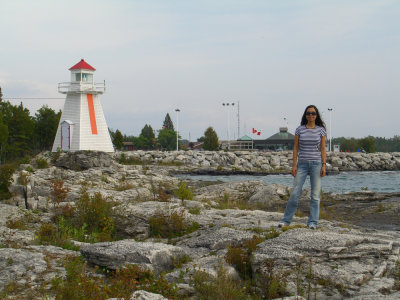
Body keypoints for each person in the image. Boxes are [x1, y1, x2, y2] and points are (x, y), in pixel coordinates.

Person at [278, 105, 327, 229]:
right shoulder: (299, 130)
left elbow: (322, 148)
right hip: (302, 164)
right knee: (294, 193)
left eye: (313, 113)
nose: (311, 115)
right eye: (308, 113)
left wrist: (324, 165)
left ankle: (313, 222)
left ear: (317, 115)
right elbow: (295, 148)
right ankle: (286, 220)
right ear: (305, 115)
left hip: (316, 163)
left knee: (315, 195)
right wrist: (294, 165)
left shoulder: (321, 130)